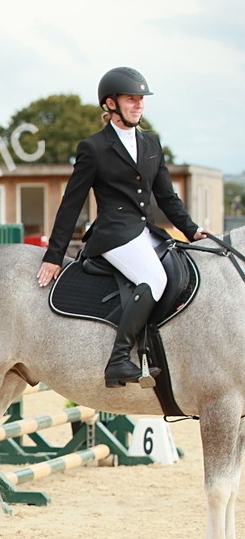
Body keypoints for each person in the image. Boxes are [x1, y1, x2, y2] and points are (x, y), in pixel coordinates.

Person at [37, 66, 210, 388]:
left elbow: (166, 197)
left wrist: (192, 230)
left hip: (146, 231)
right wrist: (54, 255)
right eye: (131, 99)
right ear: (111, 104)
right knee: (153, 278)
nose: (139, 105)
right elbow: (71, 202)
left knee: (180, 272)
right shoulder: (94, 147)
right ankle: (118, 360)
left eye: (141, 100)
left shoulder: (151, 143)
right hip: (113, 233)